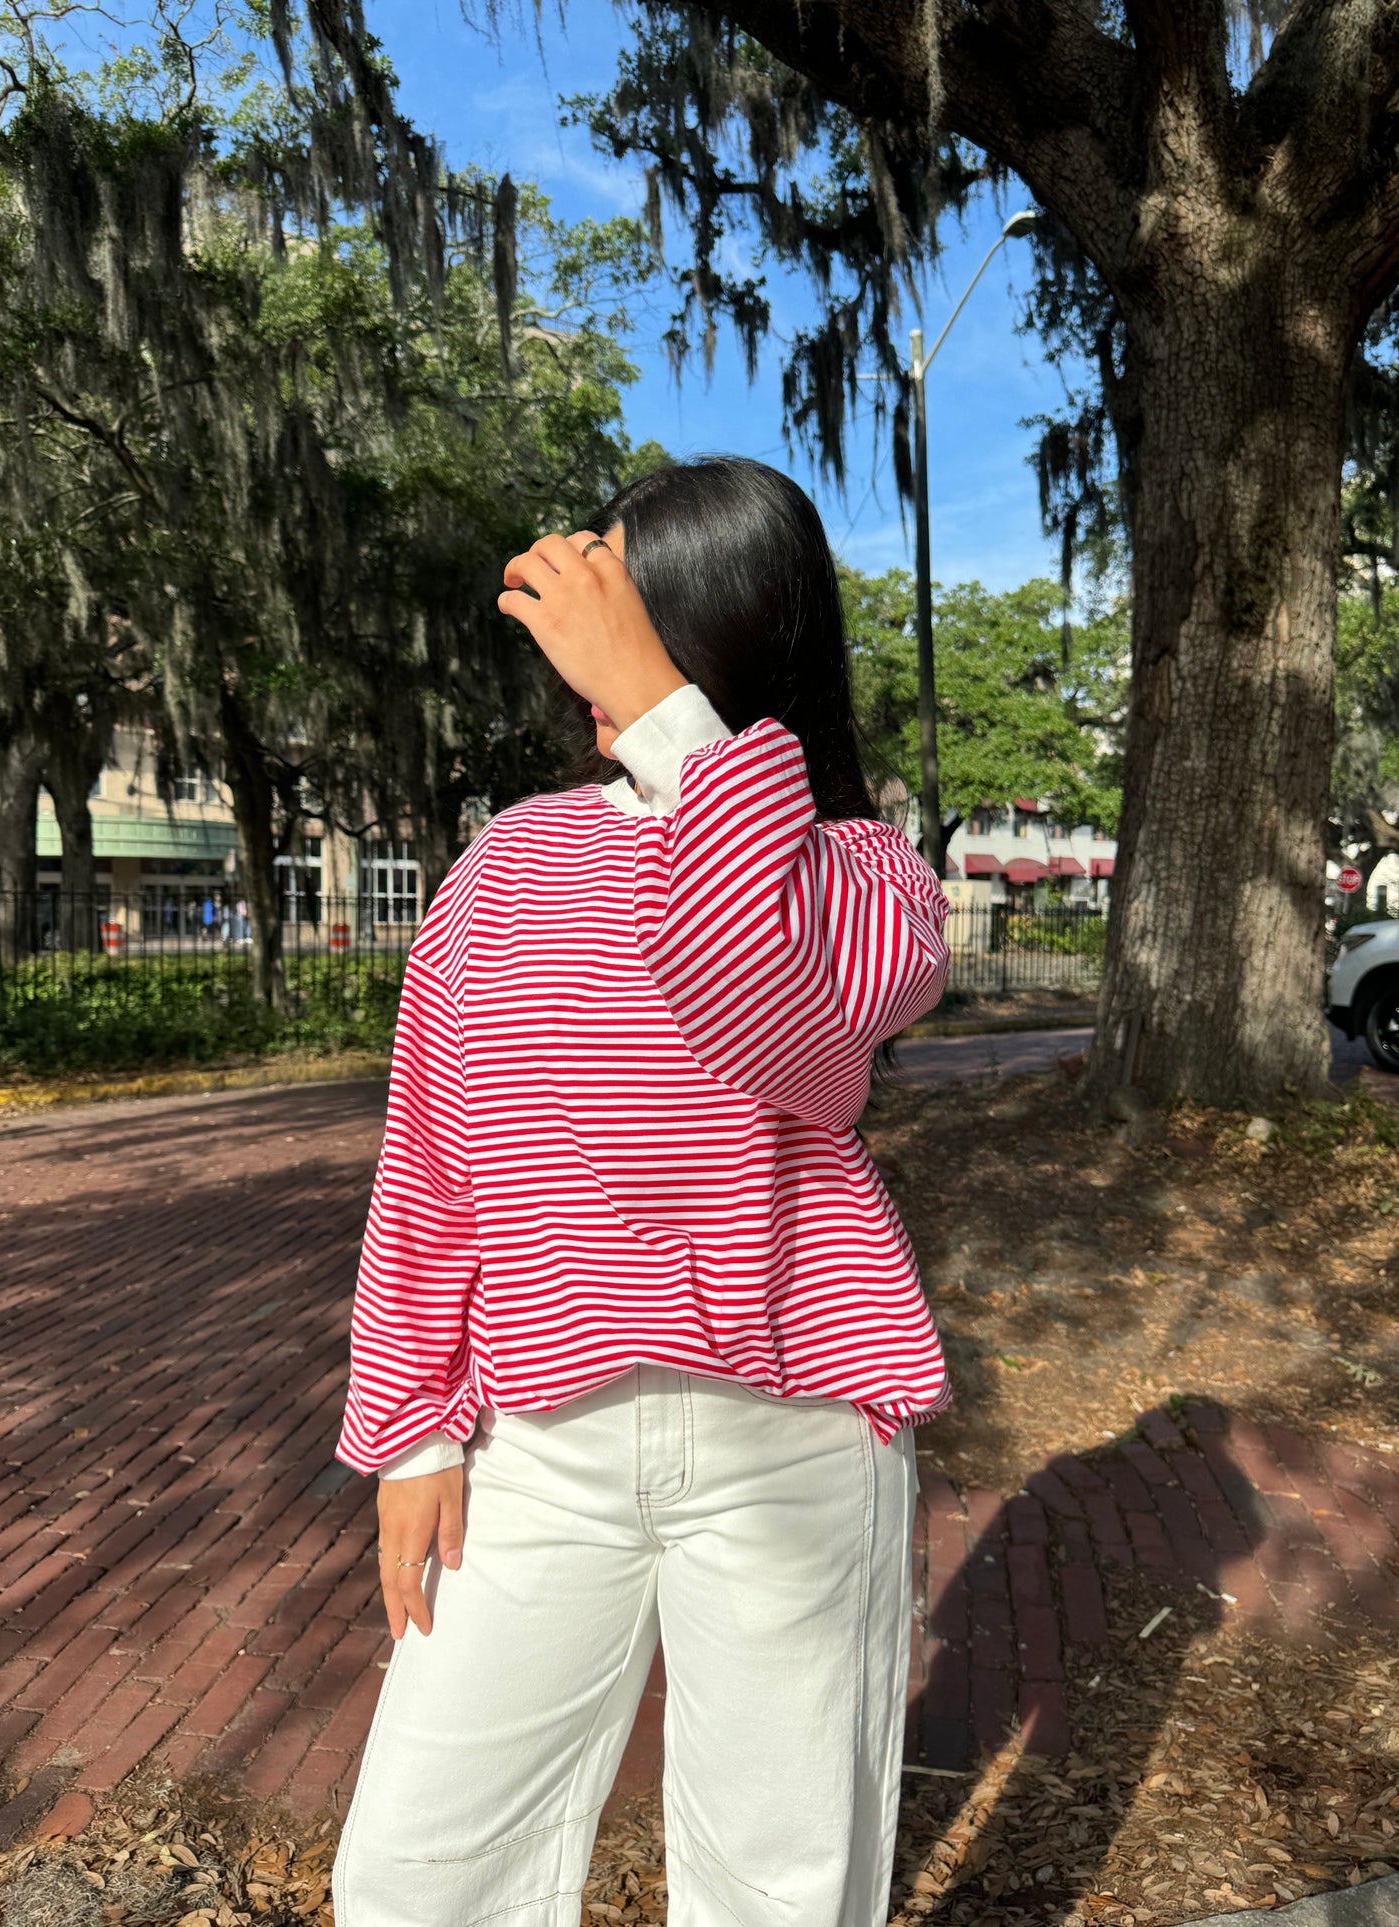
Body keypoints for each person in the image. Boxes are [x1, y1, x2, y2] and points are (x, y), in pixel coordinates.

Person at [332, 456, 953, 1927]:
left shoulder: (858, 877)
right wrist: (407, 1432)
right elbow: (432, 1154)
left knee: (779, 1888)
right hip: (539, 1448)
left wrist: (672, 720)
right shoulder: (512, 861)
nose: (583, 645)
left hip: (795, 1441)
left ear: (722, 623)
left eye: (625, 605)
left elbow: (782, 1029)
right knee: (417, 1877)